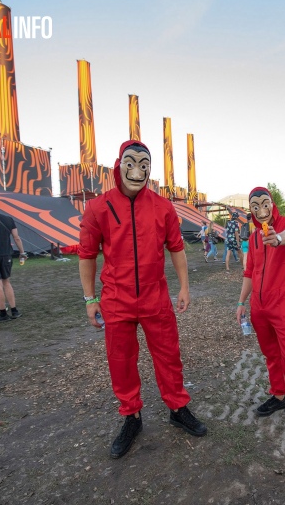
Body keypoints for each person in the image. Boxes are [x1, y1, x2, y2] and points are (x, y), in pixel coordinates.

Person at [78, 140, 206, 460]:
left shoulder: (163, 207)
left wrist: (184, 287)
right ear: (118, 164)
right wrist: (89, 297)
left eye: (144, 164)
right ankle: (131, 416)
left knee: (168, 355)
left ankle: (178, 408)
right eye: (131, 163)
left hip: (155, 296)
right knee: (120, 361)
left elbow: (176, 248)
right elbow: (86, 254)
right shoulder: (97, 207)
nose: (138, 170)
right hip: (116, 298)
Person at [236, 186, 285, 455]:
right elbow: (249, 271)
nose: (260, 209)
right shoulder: (255, 236)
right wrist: (242, 302)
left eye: (264, 203)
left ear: (272, 203)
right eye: (254, 206)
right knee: (271, 354)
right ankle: (279, 395)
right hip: (259, 306)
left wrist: (277, 239)